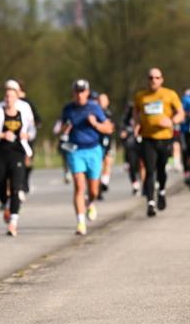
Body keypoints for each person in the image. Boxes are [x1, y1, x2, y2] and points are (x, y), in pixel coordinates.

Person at [0, 80, 36, 237]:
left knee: (16, 188)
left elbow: (32, 130)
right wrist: (0, 134)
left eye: (12, 97)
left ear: (17, 98)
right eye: (7, 97)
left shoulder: (24, 112)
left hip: (18, 152)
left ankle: (13, 222)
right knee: (0, 186)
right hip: (0, 152)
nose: (9, 99)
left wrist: (29, 135)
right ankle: (5, 203)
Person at [58, 80, 114, 235]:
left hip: (94, 150)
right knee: (79, 186)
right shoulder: (68, 109)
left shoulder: (94, 108)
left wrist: (95, 124)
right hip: (75, 150)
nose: (79, 94)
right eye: (76, 91)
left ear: (87, 92)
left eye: (82, 91)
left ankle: (90, 203)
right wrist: (65, 129)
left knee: (94, 190)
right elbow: (59, 130)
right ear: (73, 93)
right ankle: (81, 222)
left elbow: (109, 128)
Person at [133, 67, 184, 217]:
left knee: (161, 169)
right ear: (147, 80)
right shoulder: (141, 96)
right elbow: (136, 111)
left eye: (156, 78)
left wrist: (172, 121)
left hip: (165, 138)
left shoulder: (169, 94)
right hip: (148, 138)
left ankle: (161, 190)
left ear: (161, 79)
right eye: (150, 78)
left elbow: (181, 113)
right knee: (149, 170)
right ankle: (150, 202)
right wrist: (137, 124)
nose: (153, 81)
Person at [119, 101, 142, 195]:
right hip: (131, 145)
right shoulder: (125, 120)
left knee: (143, 165)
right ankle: (135, 184)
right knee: (132, 167)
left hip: (142, 145)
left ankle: (146, 185)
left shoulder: (142, 118)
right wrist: (124, 134)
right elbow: (122, 133)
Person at [96, 92, 114, 197]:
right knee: (99, 165)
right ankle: (98, 188)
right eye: (100, 100)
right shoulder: (95, 112)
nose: (101, 102)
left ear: (107, 102)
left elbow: (111, 128)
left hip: (107, 142)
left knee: (108, 161)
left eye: (103, 100)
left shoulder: (109, 113)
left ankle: (105, 182)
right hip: (97, 142)